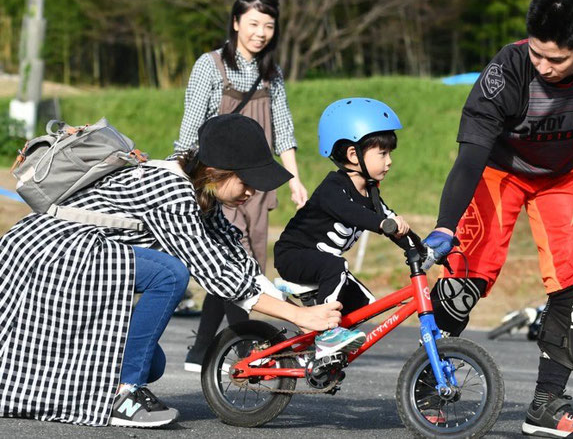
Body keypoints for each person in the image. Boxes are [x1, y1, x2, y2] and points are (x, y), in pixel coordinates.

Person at [0, 114, 342, 429]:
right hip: (52, 253)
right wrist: (301, 317)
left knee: (152, 364)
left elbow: (236, 258)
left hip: (74, 255)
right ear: (215, 171)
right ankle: (124, 395)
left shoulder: (202, 192)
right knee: (171, 274)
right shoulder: (173, 191)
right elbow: (216, 273)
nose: (253, 192)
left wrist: (297, 313)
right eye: (247, 181)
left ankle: (73, 386)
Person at [422, 0, 573, 439]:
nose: (544, 67)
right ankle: (430, 387)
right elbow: (470, 155)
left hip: (565, 175)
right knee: (464, 276)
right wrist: (445, 225)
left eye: (557, 59)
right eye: (538, 54)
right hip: (499, 170)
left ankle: (547, 406)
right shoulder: (506, 71)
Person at [174, 0, 309, 372]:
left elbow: (283, 129)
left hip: (258, 185)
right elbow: (191, 128)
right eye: (253, 23)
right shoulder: (210, 65)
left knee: (248, 264)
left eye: (268, 25)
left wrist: (295, 180)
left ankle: (201, 352)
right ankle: (251, 351)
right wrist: (185, 176)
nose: (260, 32)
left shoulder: (272, 74)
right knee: (235, 262)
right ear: (235, 23)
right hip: (220, 184)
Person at [273, 98, 411, 356]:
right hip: (293, 255)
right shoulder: (333, 189)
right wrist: (382, 223)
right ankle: (326, 335)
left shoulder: (370, 192)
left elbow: (388, 218)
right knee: (336, 266)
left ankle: (315, 348)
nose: (389, 161)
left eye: (390, 153)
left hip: (320, 262)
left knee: (365, 304)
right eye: (383, 153)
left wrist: (420, 248)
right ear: (352, 155)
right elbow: (353, 213)